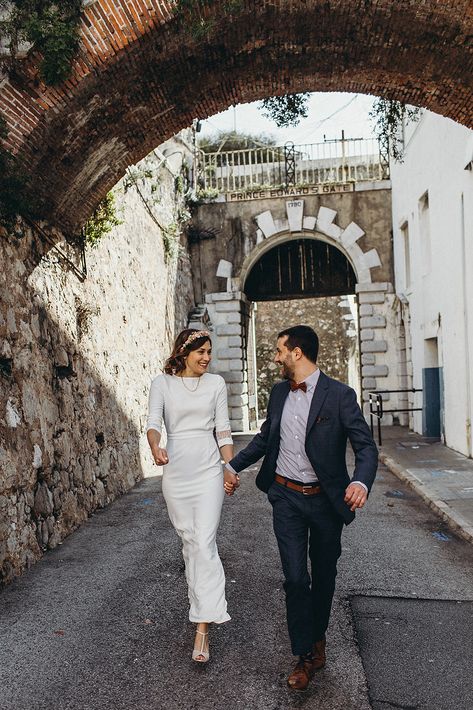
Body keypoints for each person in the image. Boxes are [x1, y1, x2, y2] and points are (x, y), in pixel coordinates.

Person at [223, 325, 378, 690]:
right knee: (295, 578)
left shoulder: (340, 395)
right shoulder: (278, 393)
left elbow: (366, 448)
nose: (275, 358)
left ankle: (318, 638)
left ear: (296, 352)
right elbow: (265, 438)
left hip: (326, 501)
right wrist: (232, 465)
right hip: (286, 497)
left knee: (323, 575)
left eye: (279, 351)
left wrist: (359, 481)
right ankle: (305, 655)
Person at [146, 328, 234, 663]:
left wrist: (231, 466)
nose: (207, 358)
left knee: (203, 542)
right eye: (201, 352)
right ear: (183, 352)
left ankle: (202, 628)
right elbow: (154, 422)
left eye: (209, 352)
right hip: (177, 473)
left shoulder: (215, 385)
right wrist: (156, 446)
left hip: (209, 470)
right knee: (189, 541)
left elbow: (223, 430)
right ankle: (201, 606)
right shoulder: (162, 384)